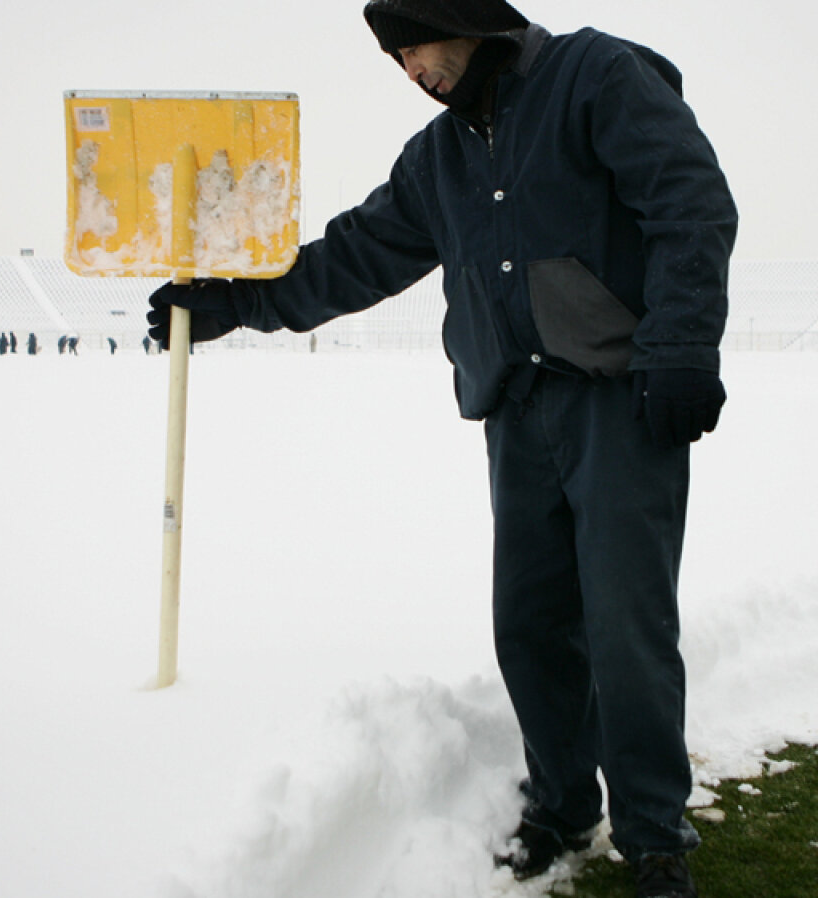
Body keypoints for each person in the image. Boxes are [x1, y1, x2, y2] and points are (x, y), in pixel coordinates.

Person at [146, 3, 737, 897]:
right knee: (530, 627)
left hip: (617, 400)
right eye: (397, 60)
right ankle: (564, 805)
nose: (410, 70)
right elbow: (353, 257)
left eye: (413, 47)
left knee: (627, 626)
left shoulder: (595, 78)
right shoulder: (439, 159)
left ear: (460, 19)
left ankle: (653, 834)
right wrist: (232, 302)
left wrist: (683, 347)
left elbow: (690, 200)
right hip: (516, 409)